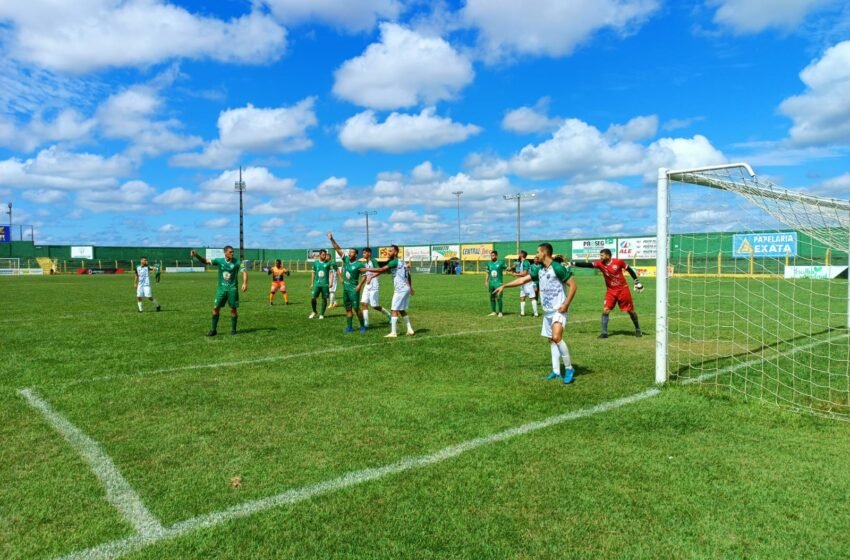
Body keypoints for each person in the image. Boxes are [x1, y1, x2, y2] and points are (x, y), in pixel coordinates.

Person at [494, 243, 577, 384]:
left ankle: (569, 368)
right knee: (551, 341)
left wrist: (566, 304)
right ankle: (556, 371)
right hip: (547, 312)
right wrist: (505, 285)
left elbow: (573, 285)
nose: (536, 254)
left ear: (545, 253)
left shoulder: (557, 268)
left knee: (557, 337)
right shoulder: (540, 270)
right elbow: (522, 280)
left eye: (538, 252)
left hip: (559, 310)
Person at [572, 248, 643, 338]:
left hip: (623, 290)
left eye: (602, 255)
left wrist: (636, 281)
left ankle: (638, 329)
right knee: (606, 310)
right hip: (611, 291)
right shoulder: (599, 263)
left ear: (608, 256)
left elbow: (629, 269)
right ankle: (604, 333)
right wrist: (573, 263)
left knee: (630, 311)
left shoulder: (618, 262)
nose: (600, 257)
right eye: (600, 255)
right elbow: (588, 264)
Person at [190, 246, 248, 336]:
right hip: (221, 289)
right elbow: (205, 261)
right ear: (225, 253)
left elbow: (244, 272)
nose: (232, 253)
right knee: (215, 308)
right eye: (230, 252)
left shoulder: (237, 262)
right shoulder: (219, 261)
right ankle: (213, 330)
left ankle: (233, 330)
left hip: (232, 289)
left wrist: (244, 283)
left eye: (233, 252)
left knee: (233, 309)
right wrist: (197, 255)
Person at [363, 245, 414, 338]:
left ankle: (393, 333)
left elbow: (381, 269)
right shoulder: (401, 261)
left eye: (390, 251)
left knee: (394, 309)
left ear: (395, 252)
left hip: (400, 289)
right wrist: (410, 287)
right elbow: (408, 274)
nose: (388, 252)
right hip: (405, 288)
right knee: (401, 309)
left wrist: (367, 269)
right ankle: (410, 329)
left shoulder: (394, 261)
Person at [327, 232, 367, 333]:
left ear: (356, 255)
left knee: (356, 308)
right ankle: (350, 327)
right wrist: (332, 239)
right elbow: (338, 249)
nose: (349, 253)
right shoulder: (346, 260)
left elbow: (365, 276)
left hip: (354, 290)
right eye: (349, 252)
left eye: (352, 252)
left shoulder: (359, 265)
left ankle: (362, 326)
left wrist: (359, 286)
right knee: (348, 308)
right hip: (345, 289)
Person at [360, 246, 392, 327]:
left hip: (374, 285)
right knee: (364, 303)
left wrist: (371, 277)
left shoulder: (373, 261)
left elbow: (380, 271)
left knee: (374, 305)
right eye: (363, 253)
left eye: (364, 253)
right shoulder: (366, 263)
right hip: (367, 286)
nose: (363, 254)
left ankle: (389, 315)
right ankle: (366, 323)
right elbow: (366, 274)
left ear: (369, 253)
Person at [309, 249, 337, 319]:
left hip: (325, 284)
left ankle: (322, 314)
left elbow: (331, 273)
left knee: (324, 299)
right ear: (320, 255)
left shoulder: (328, 263)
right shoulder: (316, 263)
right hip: (316, 284)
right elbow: (313, 273)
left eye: (325, 255)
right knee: (313, 298)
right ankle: (314, 311)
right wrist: (312, 283)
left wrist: (331, 282)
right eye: (323, 255)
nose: (324, 256)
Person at [510, 250, 538, 317]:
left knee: (532, 298)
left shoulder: (525, 262)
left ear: (522, 255)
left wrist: (516, 274)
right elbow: (521, 271)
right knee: (522, 297)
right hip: (524, 282)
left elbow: (525, 273)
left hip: (528, 282)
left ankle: (536, 313)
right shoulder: (522, 262)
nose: (518, 255)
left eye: (519, 254)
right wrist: (513, 270)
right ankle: (522, 313)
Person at [485, 250, 507, 317]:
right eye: (491, 255)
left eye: (493, 255)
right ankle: (493, 312)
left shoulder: (501, 262)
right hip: (491, 283)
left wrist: (511, 268)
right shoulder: (489, 263)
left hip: (498, 283)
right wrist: (486, 281)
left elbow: (507, 268)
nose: (492, 257)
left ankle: (500, 312)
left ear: (496, 256)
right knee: (492, 297)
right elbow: (487, 272)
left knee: (499, 297)